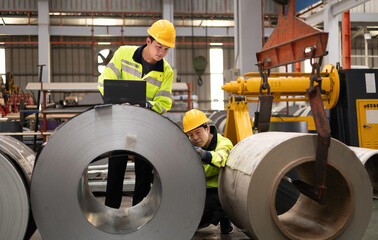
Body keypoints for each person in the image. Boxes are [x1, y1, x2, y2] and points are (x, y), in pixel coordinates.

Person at [97, 19, 176, 208]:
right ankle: (110, 212)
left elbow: (165, 102)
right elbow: (104, 81)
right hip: (120, 121)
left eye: (166, 50)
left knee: (144, 171)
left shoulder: (166, 71)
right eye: (159, 47)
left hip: (145, 124)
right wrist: (118, 101)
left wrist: (149, 105)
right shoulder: (124, 53)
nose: (161, 53)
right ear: (148, 41)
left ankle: (140, 214)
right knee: (116, 168)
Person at [183, 109, 234, 234]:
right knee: (183, 217)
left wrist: (205, 155)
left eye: (198, 132)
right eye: (190, 135)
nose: (195, 138)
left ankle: (225, 216)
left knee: (201, 218)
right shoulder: (188, 146)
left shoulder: (223, 143)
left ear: (207, 129)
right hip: (198, 189)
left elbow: (222, 159)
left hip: (219, 191)